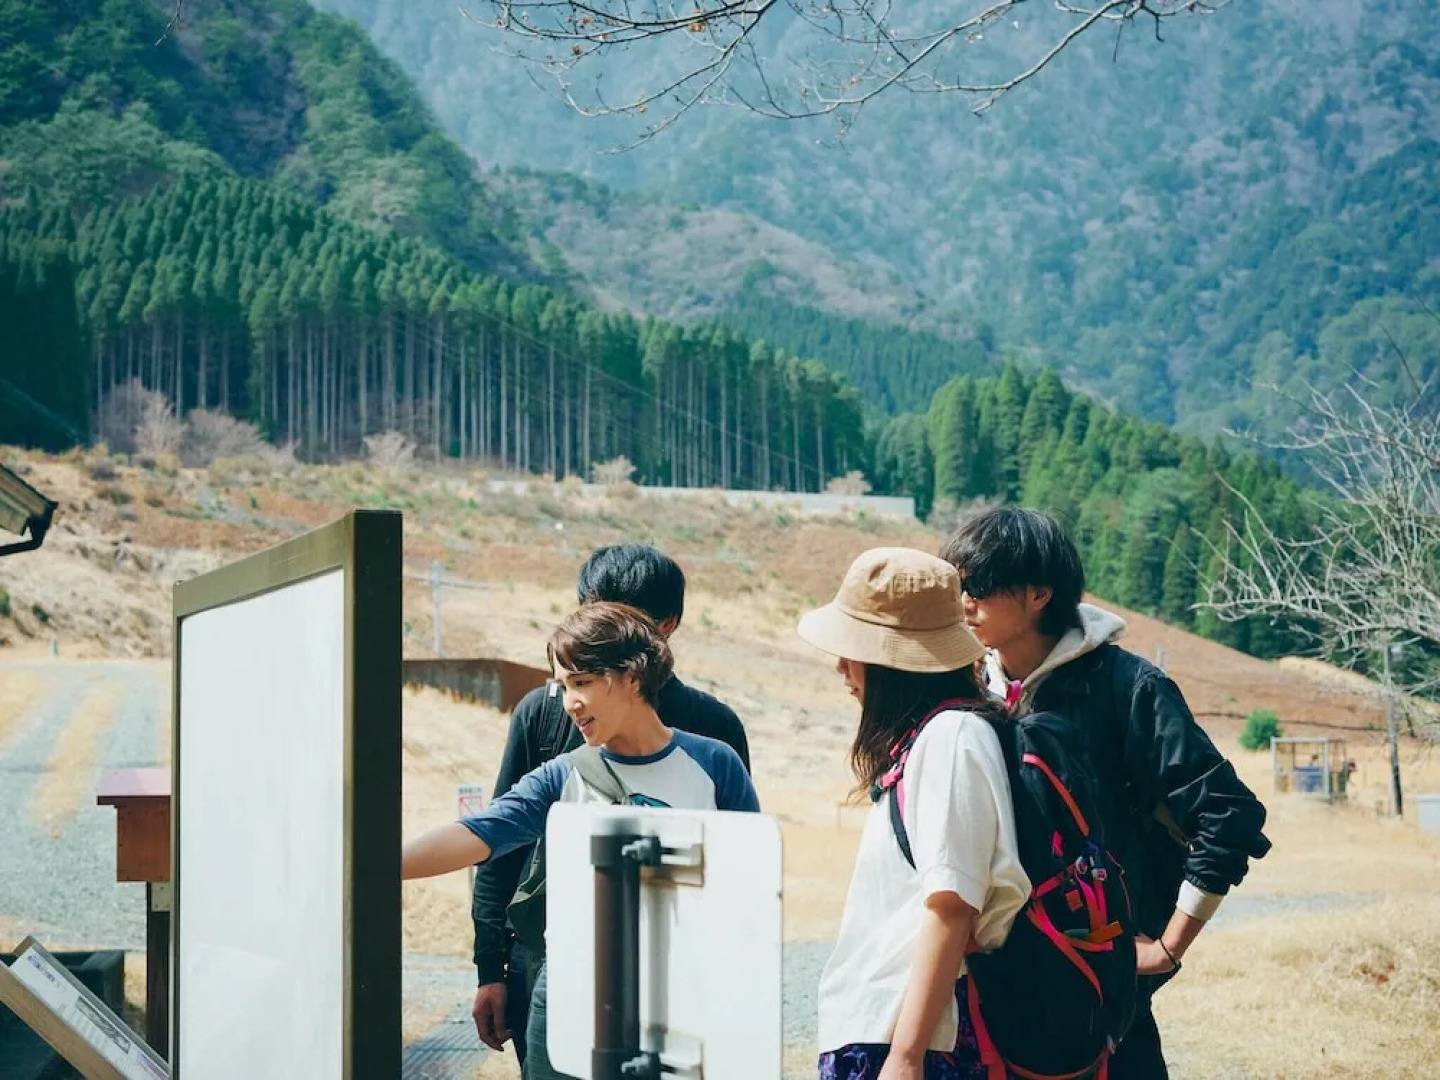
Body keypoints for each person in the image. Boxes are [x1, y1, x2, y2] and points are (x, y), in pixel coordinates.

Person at [942, 508, 1272, 1080]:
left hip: (1100, 1005)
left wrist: (1167, 947)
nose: (965, 602)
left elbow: (1227, 815)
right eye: (959, 586)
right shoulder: (969, 690)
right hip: (988, 995)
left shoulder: (1129, 688)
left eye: (981, 587)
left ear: (1040, 594)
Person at [404, 601, 760, 1080]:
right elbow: (480, 833)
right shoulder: (562, 776)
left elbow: (749, 886)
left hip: (679, 998)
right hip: (572, 997)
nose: (569, 702)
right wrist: (371, 865)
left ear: (632, 676)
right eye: (563, 685)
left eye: (582, 682)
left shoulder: (714, 765)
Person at [796, 547, 1031, 1080]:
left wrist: (906, 1056)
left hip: (912, 1041)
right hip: (887, 1031)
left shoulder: (952, 738)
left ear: (892, 661)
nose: (841, 666)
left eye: (851, 650)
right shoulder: (926, 739)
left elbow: (952, 905)